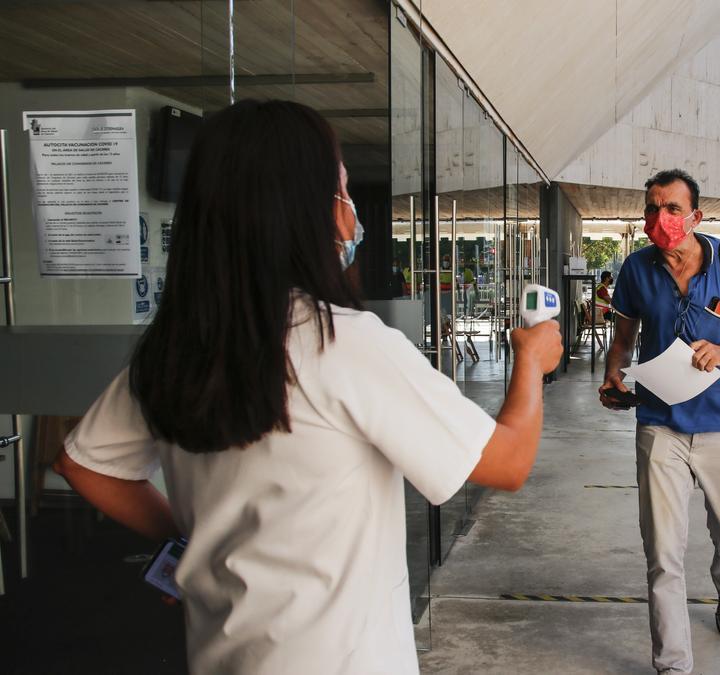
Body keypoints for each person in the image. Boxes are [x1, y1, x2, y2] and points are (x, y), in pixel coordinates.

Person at [53, 100, 562, 674]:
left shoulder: (176, 345)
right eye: (340, 190)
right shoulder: (345, 344)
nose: (348, 214)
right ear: (302, 211)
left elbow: (86, 466)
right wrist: (531, 360)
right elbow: (508, 461)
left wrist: (190, 543)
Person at [599, 169, 720, 674]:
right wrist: (614, 376)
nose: (661, 218)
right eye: (652, 209)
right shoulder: (635, 269)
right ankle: (673, 665)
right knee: (662, 551)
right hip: (659, 425)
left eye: (673, 209)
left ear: (695, 217)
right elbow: (623, 339)